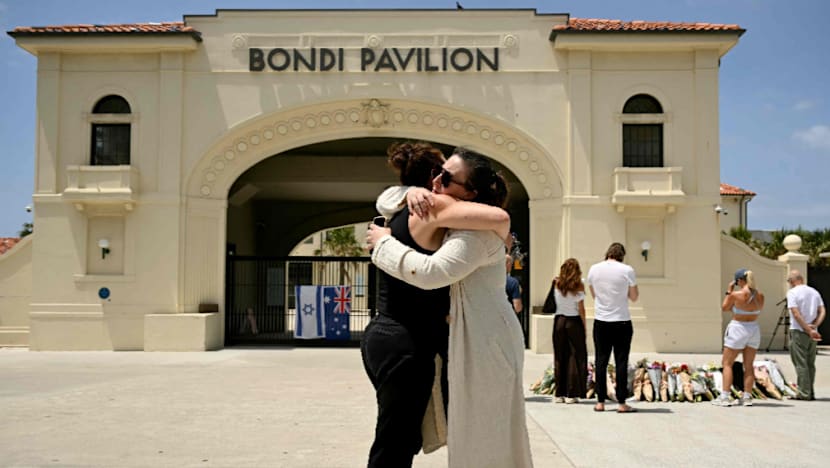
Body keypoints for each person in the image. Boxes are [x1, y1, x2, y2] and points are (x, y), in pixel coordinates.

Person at [367, 148, 533, 468]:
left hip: (486, 342)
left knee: (484, 434)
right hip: (467, 338)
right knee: (455, 433)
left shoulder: (475, 233)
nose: (435, 182)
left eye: (446, 178)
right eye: (437, 172)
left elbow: (432, 273)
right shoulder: (442, 212)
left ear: (471, 193)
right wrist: (410, 192)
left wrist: (383, 243)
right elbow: (388, 199)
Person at [586, 242, 639, 413]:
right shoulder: (627, 270)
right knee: (621, 362)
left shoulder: (594, 269)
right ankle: (622, 402)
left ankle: (600, 402)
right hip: (621, 321)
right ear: (622, 255)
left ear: (607, 253)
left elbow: (594, 294)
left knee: (600, 361)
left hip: (601, 321)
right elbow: (634, 297)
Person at [712, 268, 765, 407]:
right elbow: (756, 309)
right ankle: (747, 397)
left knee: (727, 363)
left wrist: (729, 291)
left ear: (740, 280)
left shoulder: (736, 295)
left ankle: (725, 397)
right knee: (748, 365)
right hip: (753, 328)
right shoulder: (760, 295)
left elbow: (724, 307)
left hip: (738, 328)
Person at [551, 258, 587, 404]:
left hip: (559, 321)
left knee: (559, 356)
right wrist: (584, 325)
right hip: (574, 321)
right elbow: (581, 309)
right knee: (575, 355)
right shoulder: (579, 285)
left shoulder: (556, 283)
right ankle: (572, 393)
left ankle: (559, 393)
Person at [786, 269, 826, 401]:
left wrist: (808, 329)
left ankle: (803, 393)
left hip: (799, 330)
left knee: (800, 363)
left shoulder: (792, 293)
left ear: (792, 281)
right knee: (810, 363)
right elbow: (822, 311)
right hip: (813, 332)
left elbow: (796, 314)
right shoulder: (814, 292)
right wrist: (814, 326)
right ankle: (810, 392)